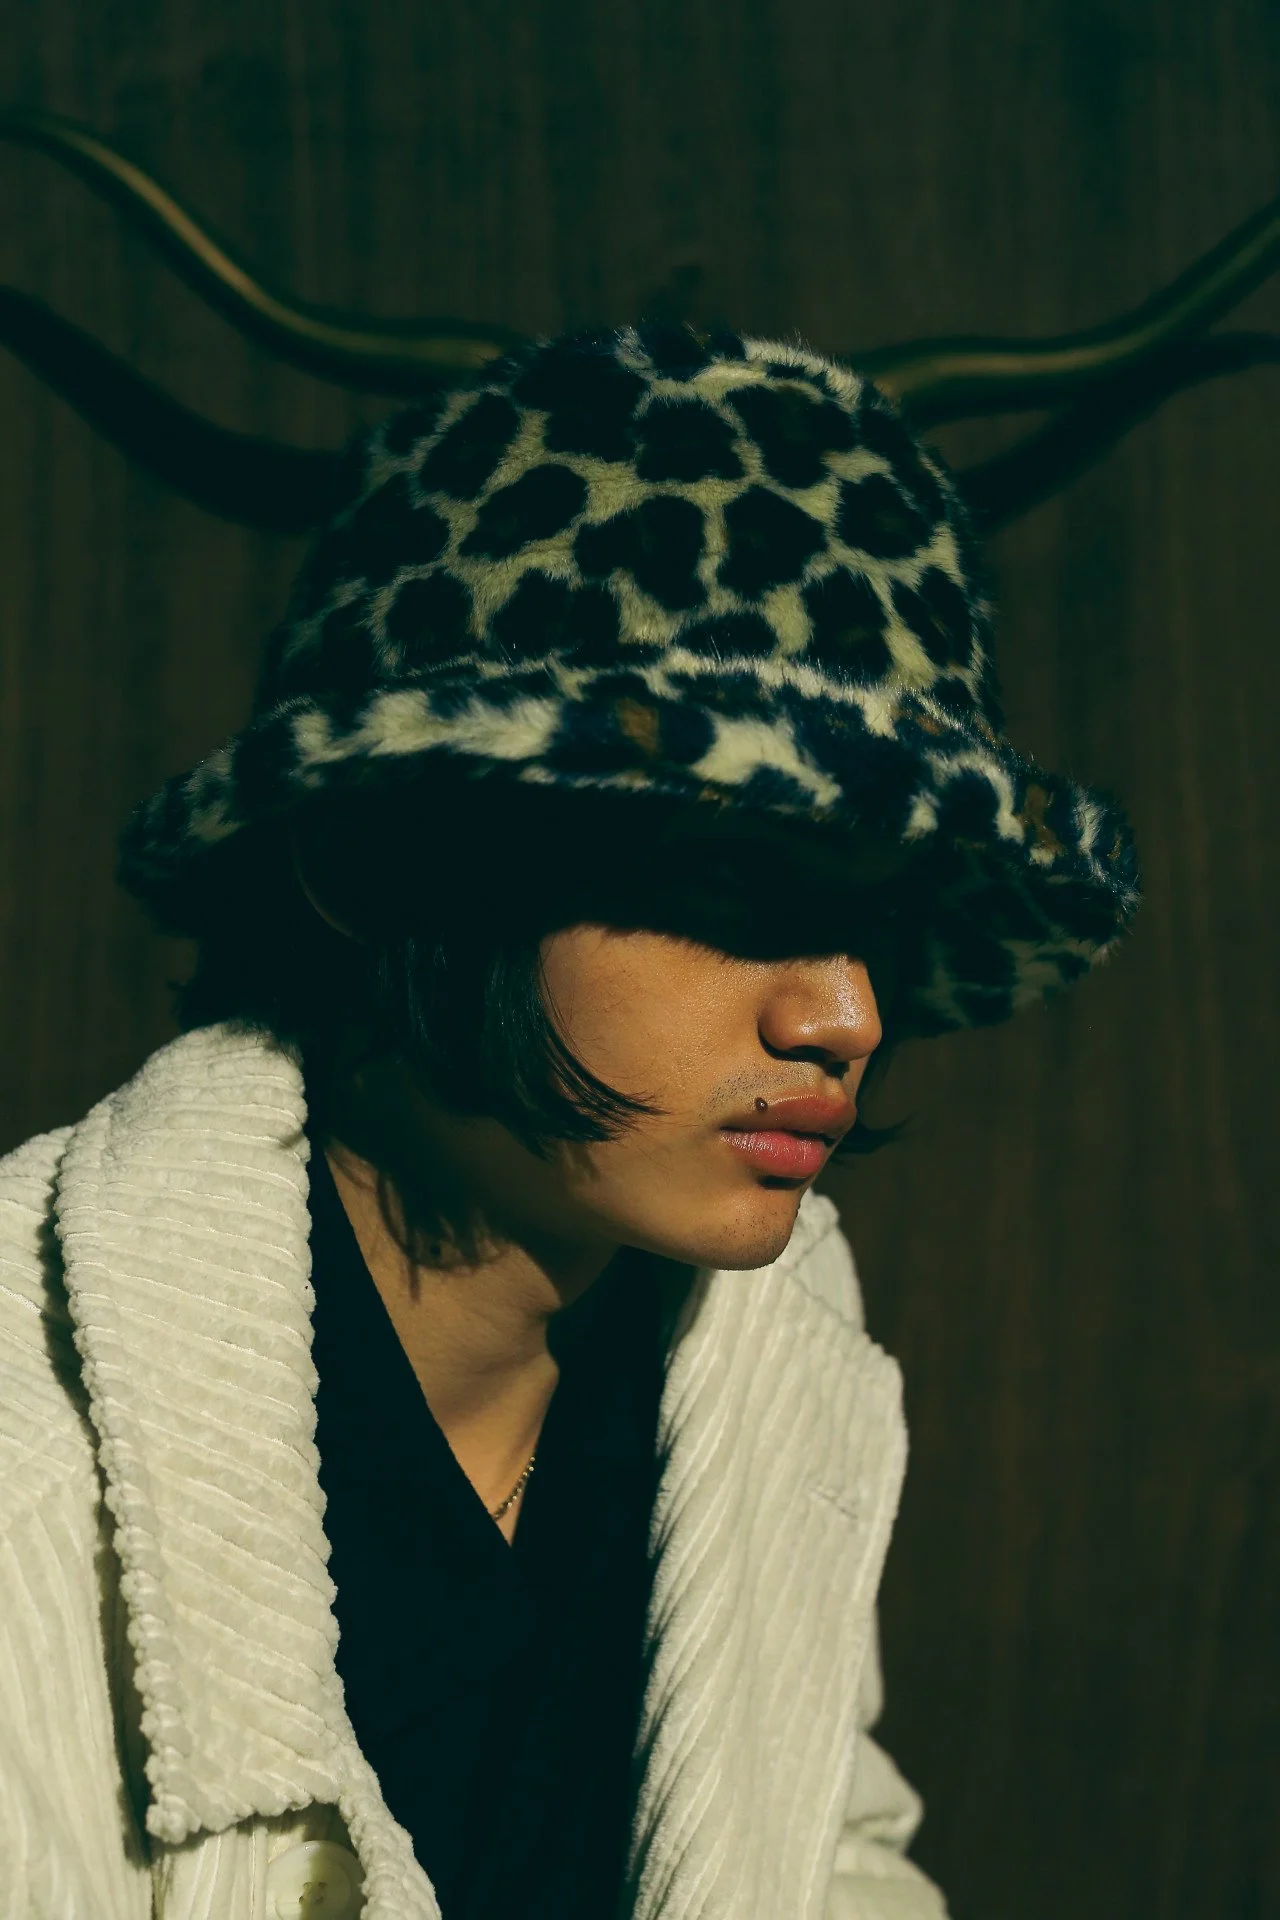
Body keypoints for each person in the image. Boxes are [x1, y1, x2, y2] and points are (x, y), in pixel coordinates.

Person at [0, 324, 1138, 1920]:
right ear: (427, 860)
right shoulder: (30, 1454)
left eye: (872, 920)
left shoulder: (760, 1355)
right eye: (737, 889)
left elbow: (832, 1857)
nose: (846, 1016)